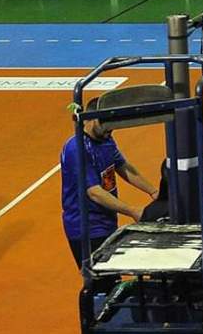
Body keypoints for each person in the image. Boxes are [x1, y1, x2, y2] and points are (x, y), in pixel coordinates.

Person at [60, 105, 158, 269]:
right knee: (101, 278)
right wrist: (133, 211)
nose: (110, 130)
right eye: (106, 125)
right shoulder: (77, 149)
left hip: (107, 221)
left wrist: (153, 191)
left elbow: (123, 166)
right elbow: (95, 193)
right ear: (91, 119)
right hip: (87, 227)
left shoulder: (106, 139)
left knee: (112, 274)